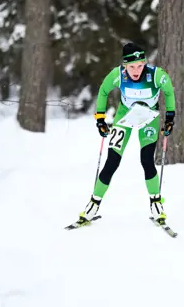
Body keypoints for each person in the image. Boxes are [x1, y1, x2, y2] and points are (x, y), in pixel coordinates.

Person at [75, 42, 175, 226]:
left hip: (148, 118)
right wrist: (100, 119)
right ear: (124, 65)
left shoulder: (156, 75)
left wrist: (170, 118)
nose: (136, 70)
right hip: (125, 117)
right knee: (112, 160)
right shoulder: (117, 75)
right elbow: (103, 91)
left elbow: (169, 92)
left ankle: (155, 202)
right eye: (132, 66)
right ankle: (93, 204)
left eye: (140, 65)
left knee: (146, 159)